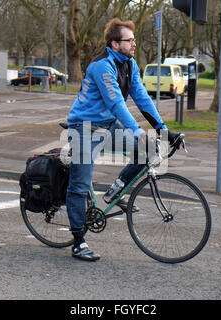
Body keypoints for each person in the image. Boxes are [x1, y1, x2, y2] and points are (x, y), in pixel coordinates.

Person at [65, 18, 180, 262]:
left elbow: (143, 99)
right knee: (79, 185)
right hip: (84, 128)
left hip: (107, 127)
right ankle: (78, 241)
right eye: (130, 40)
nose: (134, 44)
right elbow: (116, 103)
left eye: (134, 40)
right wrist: (137, 131)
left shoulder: (129, 65)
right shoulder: (102, 66)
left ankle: (116, 190)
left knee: (148, 149)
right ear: (115, 44)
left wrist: (162, 130)